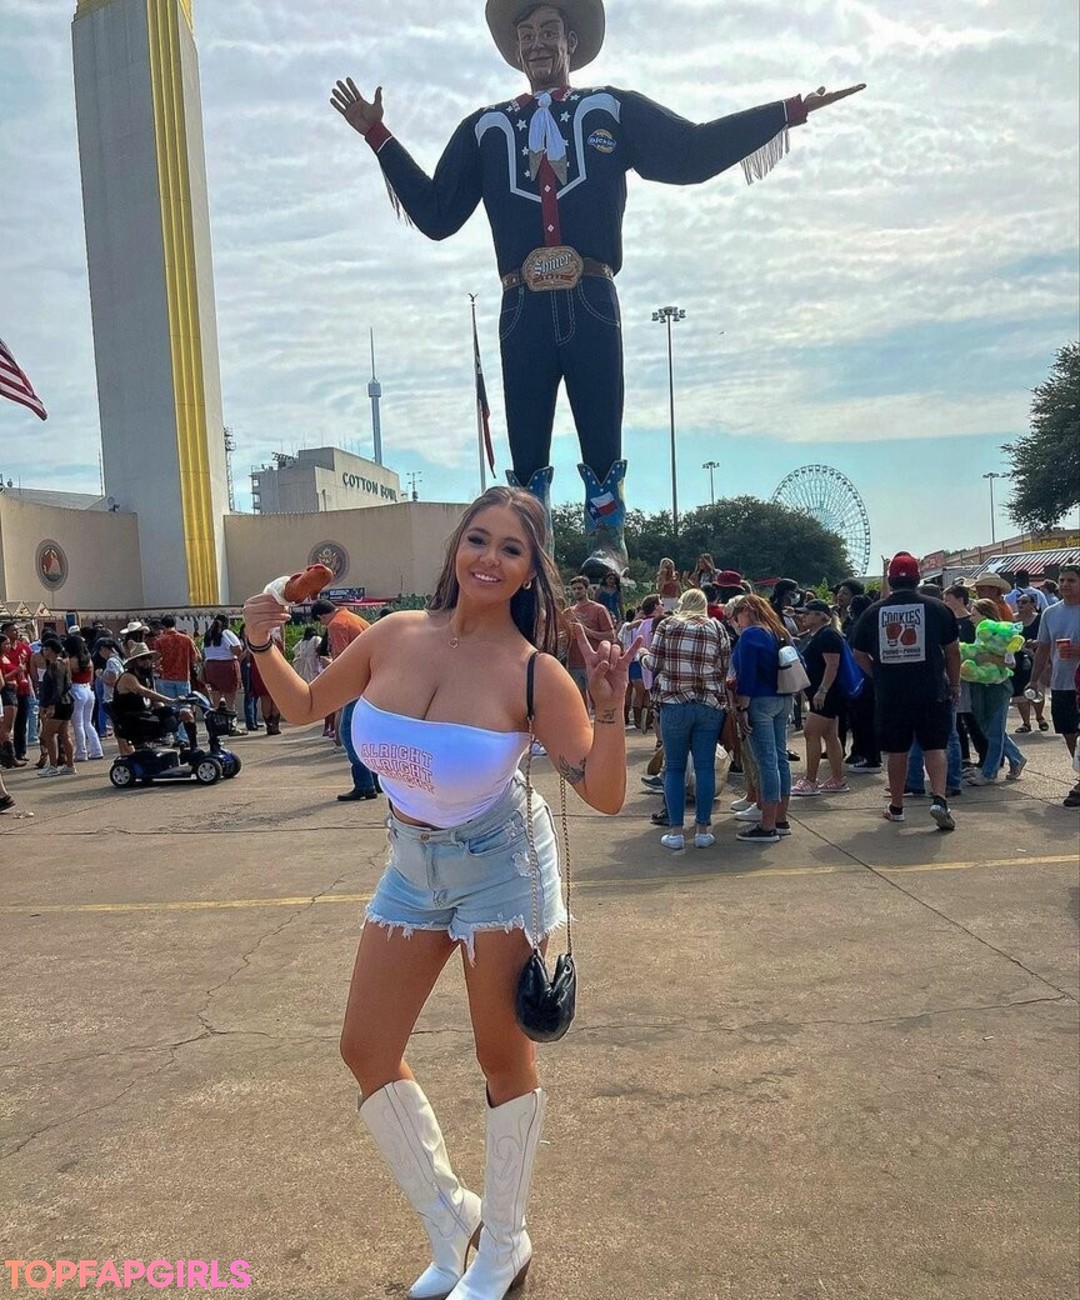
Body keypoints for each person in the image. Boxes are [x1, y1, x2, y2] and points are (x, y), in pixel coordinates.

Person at [242, 485, 639, 1300]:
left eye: (512, 549)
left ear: (531, 570)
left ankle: (506, 1245)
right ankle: (453, 1219)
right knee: (365, 1047)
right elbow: (304, 705)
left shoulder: (535, 674)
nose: (489, 559)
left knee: (502, 1056)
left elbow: (602, 796)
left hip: (502, 865)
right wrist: (260, 643)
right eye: (478, 539)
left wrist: (610, 710)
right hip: (411, 863)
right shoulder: (393, 634)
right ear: (458, 545)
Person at [332, 2, 863, 576]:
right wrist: (378, 135)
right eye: (526, 34)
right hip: (522, 302)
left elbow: (690, 152)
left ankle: (609, 539)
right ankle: (531, 550)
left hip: (590, 292)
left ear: (572, 41)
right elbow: (438, 213)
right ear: (515, 49)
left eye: (549, 31)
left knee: (601, 430)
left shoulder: (610, 108)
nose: (537, 43)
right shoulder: (485, 128)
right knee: (526, 449)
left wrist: (786, 111)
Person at [851, 552, 959, 830]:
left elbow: (858, 653)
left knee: (897, 750)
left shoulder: (873, 612)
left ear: (890, 580)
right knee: (935, 747)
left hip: (891, 694)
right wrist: (955, 684)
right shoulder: (937, 608)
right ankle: (939, 799)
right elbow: (952, 651)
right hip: (932, 689)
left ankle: (897, 806)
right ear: (918, 578)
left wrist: (878, 675)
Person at [642, 587, 730, 849]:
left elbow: (655, 664)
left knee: (674, 768)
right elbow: (724, 666)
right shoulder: (717, 628)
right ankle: (702, 830)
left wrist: (642, 656)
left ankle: (676, 832)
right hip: (709, 705)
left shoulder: (667, 625)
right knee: (705, 768)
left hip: (674, 704)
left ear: (681, 604)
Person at [729, 594, 794, 843]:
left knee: (766, 761)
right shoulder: (779, 632)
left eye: (737, 615)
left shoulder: (750, 635)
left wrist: (742, 706)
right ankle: (780, 818)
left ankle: (767, 825)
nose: (737, 621)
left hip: (759, 700)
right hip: (783, 697)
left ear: (747, 611)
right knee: (780, 758)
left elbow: (747, 671)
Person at [311, 598, 379, 802]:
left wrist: (329, 667)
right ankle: (375, 780)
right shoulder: (354, 619)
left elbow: (343, 660)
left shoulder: (337, 624)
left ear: (321, 617)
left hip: (355, 684)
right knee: (367, 734)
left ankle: (364, 784)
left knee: (348, 733)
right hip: (371, 681)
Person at [963, 598, 1027, 786]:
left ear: (985, 615)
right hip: (979, 684)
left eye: (974, 614)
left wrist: (989, 658)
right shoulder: (978, 635)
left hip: (998, 686)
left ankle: (989, 772)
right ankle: (1016, 758)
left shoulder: (1000, 635)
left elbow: (1011, 663)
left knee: (994, 730)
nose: (971, 618)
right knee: (986, 727)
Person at [1031, 563, 1080, 805]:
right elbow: (1043, 648)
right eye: (1062, 580)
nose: (1065, 585)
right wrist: (1034, 680)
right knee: (1068, 731)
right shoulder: (1050, 613)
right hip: (1061, 683)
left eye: (1071, 580)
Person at [791, 599, 849, 795]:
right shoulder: (819, 634)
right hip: (823, 693)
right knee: (830, 735)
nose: (804, 616)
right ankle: (837, 779)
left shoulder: (828, 635)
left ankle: (810, 780)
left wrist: (823, 690)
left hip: (826, 694)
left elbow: (832, 665)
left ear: (820, 616)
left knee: (811, 733)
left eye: (808, 613)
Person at [112, 644, 199, 751]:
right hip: (132, 721)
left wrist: (168, 711)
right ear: (134, 662)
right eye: (142, 659)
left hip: (147, 717)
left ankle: (193, 749)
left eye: (149, 658)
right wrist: (171, 700)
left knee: (185, 713)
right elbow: (143, 691)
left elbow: (155, 700)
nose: (147, 662)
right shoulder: (128, 677)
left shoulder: (148, 677)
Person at [562, 575, 615, 705]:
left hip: (594, 662)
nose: (577, 591)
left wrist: (586, 631)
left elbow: (610, 635)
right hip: (574, 662)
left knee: (597, 699)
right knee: (578, 701)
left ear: (586, 589)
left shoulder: (599, 609)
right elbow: (560, 635)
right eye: (574, 589)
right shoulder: (567, 612)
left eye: (580, 588)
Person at [63, 633, 105, 763]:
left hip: (76, 689)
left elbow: (68, 679)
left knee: (78, 724)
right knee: (88, 722)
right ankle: (97, 749)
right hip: (88, 689)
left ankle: (81, 752)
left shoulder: (70, 660)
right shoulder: (89, 660)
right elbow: (91, 679)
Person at [37, 637, 75, 777]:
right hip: (66, 702)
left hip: (58, 704)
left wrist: (51, 705)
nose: (44, 651)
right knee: (64, 734)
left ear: (52, 651)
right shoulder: (63, 664)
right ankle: (70, 764)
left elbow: (58, 687)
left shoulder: (55, 666)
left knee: (48, 734)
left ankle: (53, 766)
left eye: (46, 649)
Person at [1011, 593, 1048, 732]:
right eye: (1018, 601)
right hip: (1018, 659)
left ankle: (1039, 717)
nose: (1020, 604)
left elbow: (1046, 639)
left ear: (1033, 604)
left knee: (1037, 688)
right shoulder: (1013, 620)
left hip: (1036, 658)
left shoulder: (1040, 619)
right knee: (1020, 691)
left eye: (1024, 601)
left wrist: (1035, 645)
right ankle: (1026, 723)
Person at [202, 615, 244, 715]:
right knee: (230, 699)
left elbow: (204, 652)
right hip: (226, 666)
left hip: (211, 667)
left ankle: (217, 719)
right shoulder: (226, 633)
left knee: (216, 696)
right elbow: (237, 650)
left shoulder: (208, 635)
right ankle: (231, 720)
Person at [155, 614, 201, 702]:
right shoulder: (187, 639)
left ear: (163, 626)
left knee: (171, 705)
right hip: (183, 677)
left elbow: (157, 660)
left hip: (167, 677)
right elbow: (195, 657)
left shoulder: (159, 641)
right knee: (185, 705)